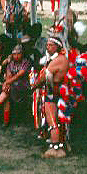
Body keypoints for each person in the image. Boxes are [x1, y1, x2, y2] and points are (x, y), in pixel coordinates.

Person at [31, 26, 69, 158]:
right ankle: (61, 144)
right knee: (58, 120)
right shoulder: (61, 59)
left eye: (51, 45)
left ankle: (56, 148)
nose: (47, 47)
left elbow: (42, 79)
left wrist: (33, 87)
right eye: (47, 44)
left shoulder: (57, 61)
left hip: (52, 93)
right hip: (58, 92)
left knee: (52, 120)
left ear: (57, 47)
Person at [0, 44, 31, 128]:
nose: (16, 56)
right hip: (12, 85)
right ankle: (5, 121)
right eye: (14, 54)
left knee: (6, 90)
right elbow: (9, 75)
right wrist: (7, 83)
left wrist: (6, 83)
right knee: (6, 96)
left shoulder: (26, 62)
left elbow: (18, 75)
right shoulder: (11, 63)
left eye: (18, 54)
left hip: (23, 85)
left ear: (22, 54)